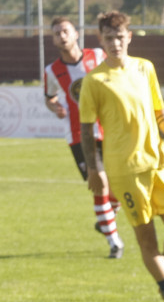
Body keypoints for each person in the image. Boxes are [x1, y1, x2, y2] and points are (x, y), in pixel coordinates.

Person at [79, 11, 164, 302]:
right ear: (100, 41)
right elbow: (87, 129)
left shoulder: (145, 68)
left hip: (158, 163)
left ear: (129, 37)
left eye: (119, 37)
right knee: (147, 240)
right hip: (125, 170)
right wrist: (94, 168)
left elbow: (159, 109)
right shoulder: (94, 81)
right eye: (108, 38)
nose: (115, 43)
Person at [43, 16, 125, 259]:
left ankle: (105, 221)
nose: (62, 36)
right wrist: (54, 107)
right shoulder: (52, 71)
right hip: (79, 136)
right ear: (53, 39)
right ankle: (114, 242)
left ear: (76, 33)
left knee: (118, 187)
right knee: (99, 184)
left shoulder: (98, 56)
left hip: (110, 129)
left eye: (66, 31)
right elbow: (49, 97)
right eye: (57, 33)